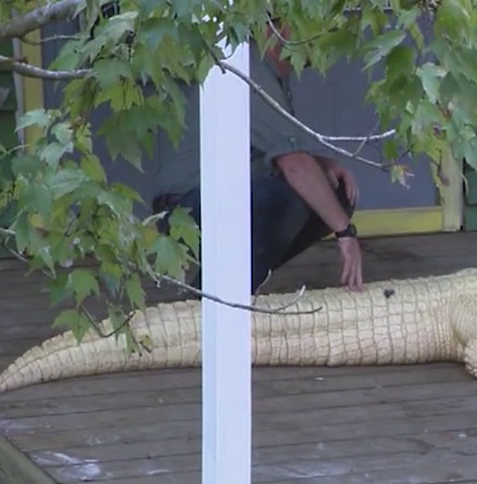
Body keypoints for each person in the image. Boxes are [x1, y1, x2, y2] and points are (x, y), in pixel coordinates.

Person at [150, 23, 364, 294]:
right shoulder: (246, 64)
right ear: (270, 29)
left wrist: (323, 164)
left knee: (333, 193)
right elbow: (294, 165)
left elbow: (277, 152)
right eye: (303, 26)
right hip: (188, 208)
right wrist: (346, 235)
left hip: (219, 199)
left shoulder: (271, 75)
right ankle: (218, 298)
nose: (317, 39)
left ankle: (224, 288)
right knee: (294, 196)